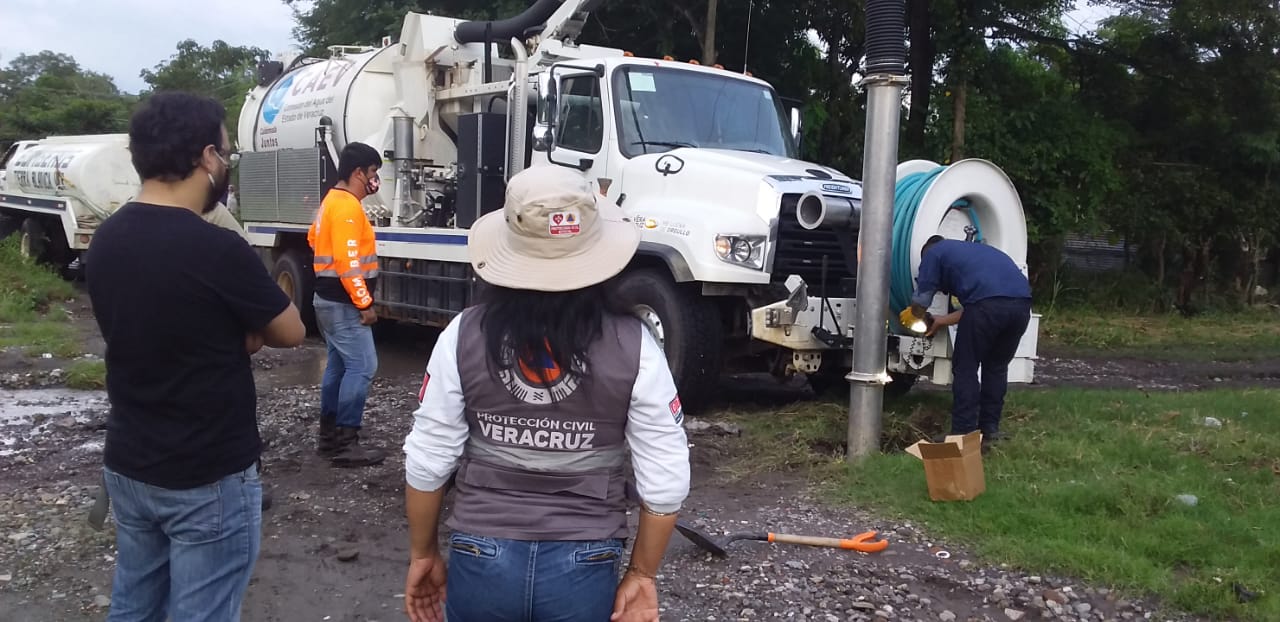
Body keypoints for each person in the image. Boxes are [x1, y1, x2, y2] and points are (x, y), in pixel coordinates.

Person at [401, 166, 691, 622]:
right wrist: (642, 574)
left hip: (481, 552)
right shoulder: (637, 347)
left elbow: (428, 459)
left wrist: (423, 553)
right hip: (585, 559)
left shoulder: (463, 334)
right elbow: (666, 478)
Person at [84, 91, 306, 621]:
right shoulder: (216, 248)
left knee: (134, 606)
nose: (225, 164)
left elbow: (145, 325)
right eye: (225, 153)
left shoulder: (105, 239)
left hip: (129, 464)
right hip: (206, 473)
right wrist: (242, 334)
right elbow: (292, 331)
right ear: (206, 158)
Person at [900, 235, 1032, 446]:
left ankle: (963, 433)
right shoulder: (979, 252)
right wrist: (941, 321)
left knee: (966, 368)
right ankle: (990, 430)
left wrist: (914, 315)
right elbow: (982, 303)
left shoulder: (933, 253)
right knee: (996, 367)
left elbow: (923, 298)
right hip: (1021, 307)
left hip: (987, 308)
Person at [308, 142, 386, 467]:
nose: (374, 180)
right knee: (364, 366)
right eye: (373, 173)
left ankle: (329, 438)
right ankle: (345, 441)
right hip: (343, 304)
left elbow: (313, 238)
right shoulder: (347, 208)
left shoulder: (331, 202)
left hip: (327, 300)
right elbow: (347, 262)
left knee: (339, 367)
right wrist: (364, 302)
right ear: (358, 173)